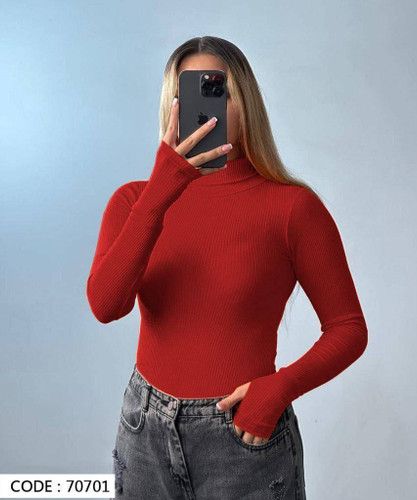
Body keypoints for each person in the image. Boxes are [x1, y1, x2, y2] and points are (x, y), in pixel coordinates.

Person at [86, 36, 368, 500]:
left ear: (246, 103)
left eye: (216, 91)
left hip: (243, 436)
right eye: (188, 94)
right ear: (171, 107)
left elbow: (348, 327)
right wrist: (161, 190)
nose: (204, 110)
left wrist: (279, 388)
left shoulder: (292, 208)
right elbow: (106, 306)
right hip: (144, 430)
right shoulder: (134, 201)